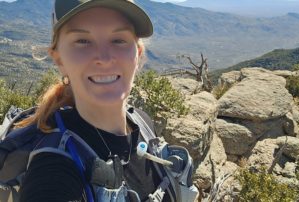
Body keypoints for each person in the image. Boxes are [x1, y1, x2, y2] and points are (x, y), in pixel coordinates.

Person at [0, 0, 199, 201]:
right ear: (59, 59)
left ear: (138, 54)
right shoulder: (53, 173)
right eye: (83, 41)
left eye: (119, 40)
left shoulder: (142, 123)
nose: (104, 58)